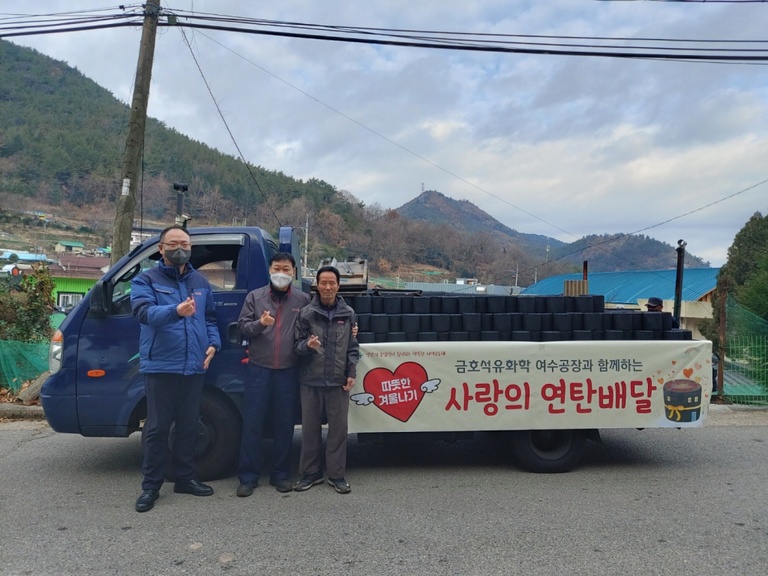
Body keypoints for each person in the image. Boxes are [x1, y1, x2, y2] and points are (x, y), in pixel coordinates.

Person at [130, 225, 221, 513]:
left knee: (188, 426)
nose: (179, 248)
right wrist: (175, 311)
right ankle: (150, 487)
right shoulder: (146, 280)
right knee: (157, 429)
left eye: (184, 243)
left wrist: (213, 344)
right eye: (173, 243)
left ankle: (185, 478)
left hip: (194, 366)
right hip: (161, 366)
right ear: (161, 249)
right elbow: (143, 313)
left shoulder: (200, 281)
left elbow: (210, 318)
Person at [235, 253, 310, 496]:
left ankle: (280, 475)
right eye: (277, 268)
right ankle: (248, 477)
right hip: (259, 368)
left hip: (288, 370)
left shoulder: (302, 299)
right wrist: (260, 324)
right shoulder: (255, 297)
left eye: (286, 269)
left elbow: (311, 328)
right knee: (252, 423)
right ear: (269, 270)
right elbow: (242, 327)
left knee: (284, 424)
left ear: (294, 272)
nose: (281, 273)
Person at [293, 266, 359, 494]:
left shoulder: (348, 313)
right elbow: (296, 346)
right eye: (323, 283)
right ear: (317, 285)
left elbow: (352, 348)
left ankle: (337, 475)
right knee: (310, 430)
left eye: (332, 283)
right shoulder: (306, 313)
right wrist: (307, 346)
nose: (328, 287)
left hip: (338, 381)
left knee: (338, 430)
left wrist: (351, 373)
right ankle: (311, 473)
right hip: (310, 380)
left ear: (338, 286)